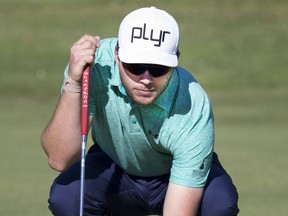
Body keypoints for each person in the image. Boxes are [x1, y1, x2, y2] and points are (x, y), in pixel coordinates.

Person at [41, 6, 239, 216]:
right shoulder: (93, 66)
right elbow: (59, 158)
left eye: (157, 68)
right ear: (117, 55)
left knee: (219, 203)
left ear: (175, 61)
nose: (145, 79)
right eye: (135, 66)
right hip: (114, 166)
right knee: (67, 196)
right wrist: (73, 83)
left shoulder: (193, 105)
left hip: (173, 174)